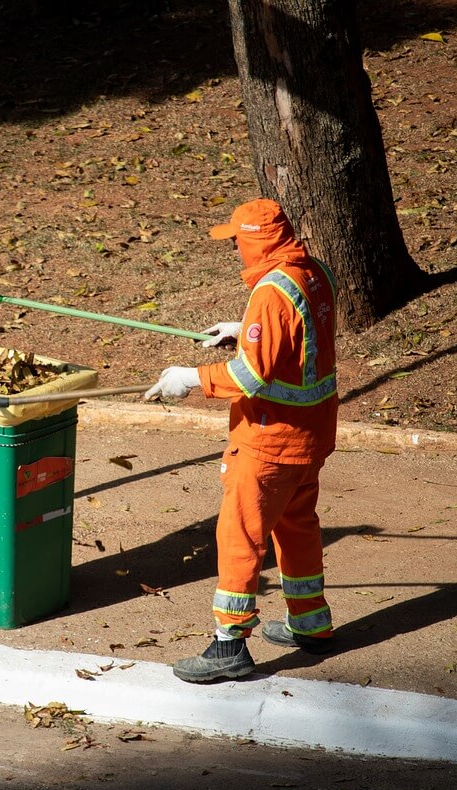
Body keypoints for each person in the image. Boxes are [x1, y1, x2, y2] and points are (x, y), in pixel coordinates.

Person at [144, 198, 340, 683]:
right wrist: (243, 331)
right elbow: (298, 341)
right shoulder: (313, 272)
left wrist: (190, 378)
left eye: (238, 239)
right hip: (310, 436)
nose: (234, 247)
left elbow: (251, 377)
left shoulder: (271, 293)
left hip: (269, 440)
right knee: (296, 526)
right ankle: (310, 624)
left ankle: (229, 645)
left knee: (240, 537)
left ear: (255, 239)